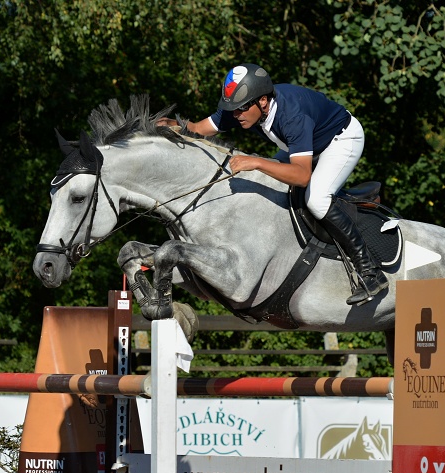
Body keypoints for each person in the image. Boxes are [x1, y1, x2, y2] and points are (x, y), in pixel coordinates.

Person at [157, 63, 387, 305]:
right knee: (268, 181)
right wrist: (175, 125)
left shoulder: (291, 115)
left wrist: (257, 162)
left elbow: (302, 176)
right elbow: (198, 129)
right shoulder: (244, 106)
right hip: (306, 143)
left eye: (241, 109)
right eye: (232, 109)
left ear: (263, 101)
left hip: (340, 140)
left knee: (316, 199)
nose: (236, 115)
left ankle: (370, 271)